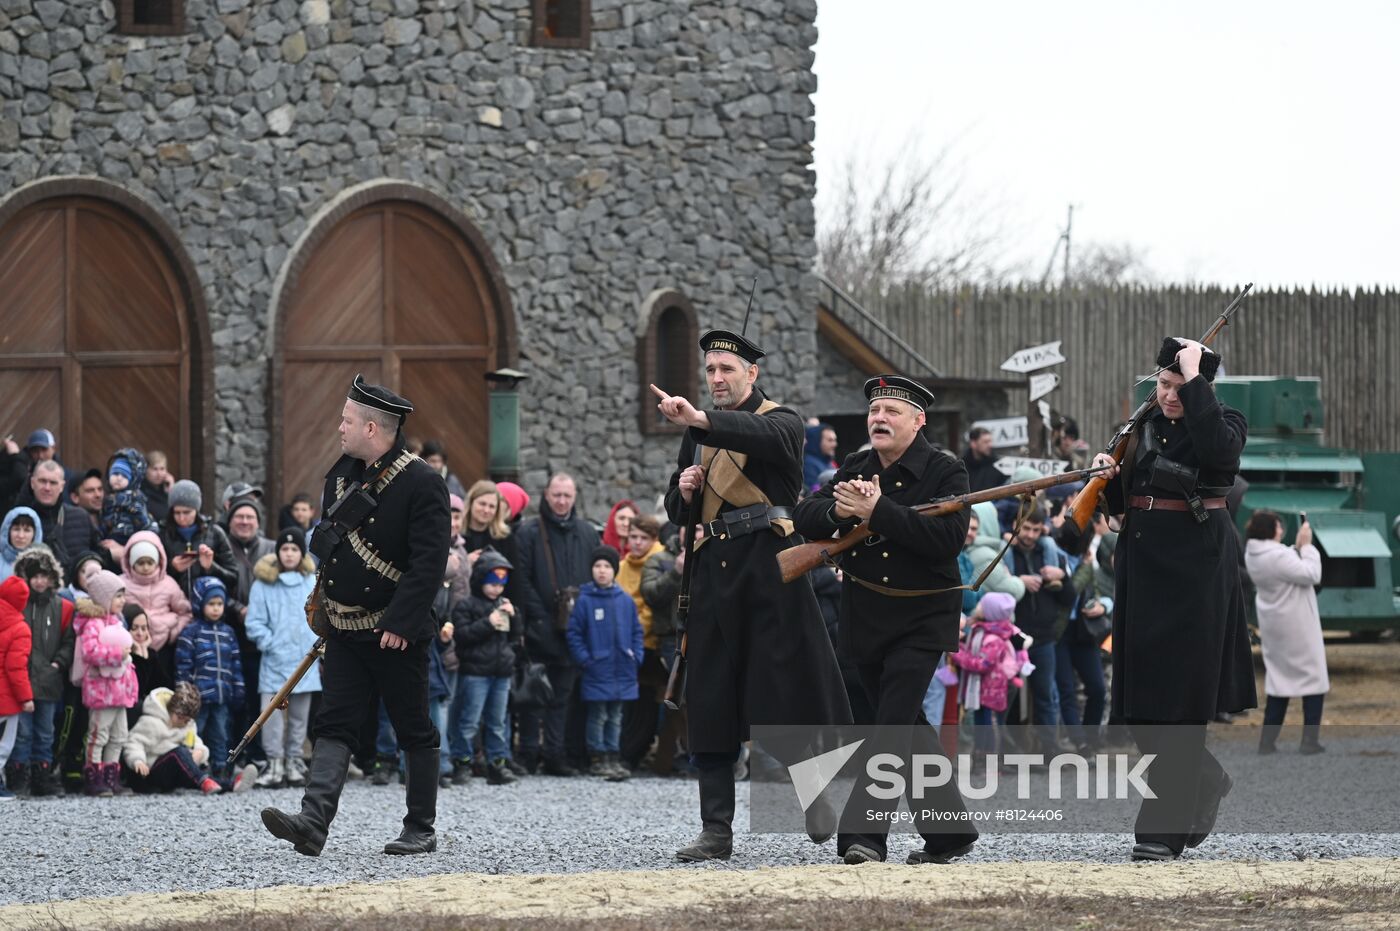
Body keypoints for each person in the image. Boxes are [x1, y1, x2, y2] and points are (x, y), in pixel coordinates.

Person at [656, 325, 851, 862]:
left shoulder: (782, 422)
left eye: (727, 370)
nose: (717, 378)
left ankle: (813, 795)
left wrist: (699, 420)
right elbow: (677, 509)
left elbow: (763, 441)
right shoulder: (696, 432)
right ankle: (716, 829)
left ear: (752, 374)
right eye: (711, 371)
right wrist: (685, 490)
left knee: (782, 695)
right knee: (711, 699)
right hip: (713, 575)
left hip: (770, 570)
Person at [261, 375, 450, 857]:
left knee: (412, 727)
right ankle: (313, 822)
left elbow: (428, 562)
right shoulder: (342, 475)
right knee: (336, 723)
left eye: (347, 420)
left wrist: (402, 624)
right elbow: (333, 551)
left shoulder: (422, 483)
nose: (339, 428)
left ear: (372, 428)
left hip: (395, 632)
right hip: (344, 628)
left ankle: (420, 828)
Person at [793, 374, 978, 865]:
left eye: (892, 411)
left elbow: (946, 542)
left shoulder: (947, 470)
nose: (879, 418)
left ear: (918, 422)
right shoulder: (856, 465)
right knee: (909, 729)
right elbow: (805, 513)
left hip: (923, 616)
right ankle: (949, 832)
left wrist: (878, 511)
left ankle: (863, 836)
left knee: (891, 726)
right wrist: (840, 511)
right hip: (867, 614)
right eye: (875, 410)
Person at [1091, 337, 1255, 862]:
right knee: (1138, 702)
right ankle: (1205, 780)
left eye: (1179, 387)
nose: (1168, 396)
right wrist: (1107, 480)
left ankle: (1160, 829)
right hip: (1142, 565)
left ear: (1203, 388)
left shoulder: (1225, 422)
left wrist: (1196, 382)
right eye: (1162, 385)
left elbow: (1218, 456)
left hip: (1198, 568)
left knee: (1182, 701)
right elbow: (1126, 505)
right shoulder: (1140, 429)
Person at [513, 473, 599, 776]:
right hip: (538, 627)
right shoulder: (528, 532)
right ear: (546, 496)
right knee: (532, 695)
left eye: (567, 496)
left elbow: (594, 579)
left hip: (573, 631)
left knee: (562, 696)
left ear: (574, 498)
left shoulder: (588, 533)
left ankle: (554, 754)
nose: (561, 501)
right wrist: (538, 617)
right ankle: (526, 754)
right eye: (556, 495)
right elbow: (520, 581)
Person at [1243, 510, 1327, 755]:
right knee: (1314, 680)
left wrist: (1297, 547)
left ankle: (1266, 742)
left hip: (1275, 627)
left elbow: (1286, 563)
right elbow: (1312, 574)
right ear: (1271, 530)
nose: (1281, 530)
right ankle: (1309, 741)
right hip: (1297, 627)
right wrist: (1308, 547)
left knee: (1278, 683)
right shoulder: (1277, 555)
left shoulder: (1254, 554)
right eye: (1278, 526)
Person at [244, 529, 321, 789]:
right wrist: (270, 642)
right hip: (274, 660)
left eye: (294, 550)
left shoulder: (311, 582)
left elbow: (321, 615)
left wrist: (316, 645)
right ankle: (274, 761)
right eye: (285, 549)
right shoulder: (263, 584)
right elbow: (254, 621)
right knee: (270, 716)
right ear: (278, 553)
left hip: (304, 660)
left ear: (302, 553)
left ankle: (294, 761)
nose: (289, 554)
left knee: (300, 716)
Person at [566, 546, 642, 781]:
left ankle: (613, 754)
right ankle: (597, 756)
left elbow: (637, 631)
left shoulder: (625, 601)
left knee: (616, 716)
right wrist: (586, 660)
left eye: (607, 566)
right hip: (597, 668)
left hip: (623, 669)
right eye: (597, 566)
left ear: (614, 571)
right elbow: (574, 633)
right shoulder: (585, 599)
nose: (602, 571)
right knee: (598, 715)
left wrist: (636, 655)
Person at [1002, 508, 1075, 752]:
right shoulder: (1004, 553)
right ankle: (1009, 751)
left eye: (1036, 529)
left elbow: (1069, 598)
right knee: (1008, 696)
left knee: (1045, 695)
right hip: (1012, 637)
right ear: (1015, 525)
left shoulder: (1050, 553)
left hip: (1043, 637)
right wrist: (1017, 582)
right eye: (1026, 529)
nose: (1031, 535)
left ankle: (1049, 750)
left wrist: (1061, 577)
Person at [8, 545, 75, 798]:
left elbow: (69, 640)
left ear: (52, 579)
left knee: (45, 732)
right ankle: (18, 775)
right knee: (22, 733)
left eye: (44, 576)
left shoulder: (63, 607)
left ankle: (42, 776)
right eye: (34, 576)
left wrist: (58, 663)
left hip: (49, 679)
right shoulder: (17, 605)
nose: (39, 581)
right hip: (21, 680)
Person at [449, 548, 520, 786]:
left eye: (501, 584)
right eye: (492, 582)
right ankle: (463, 762)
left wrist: (515, 616)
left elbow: (514, 638)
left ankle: (497, 764)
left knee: (498, 722)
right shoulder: (466, 605)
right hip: (475, 673)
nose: (496, 588)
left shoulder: (504, 603)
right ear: (480, 579)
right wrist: (488, 623)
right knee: (468, 721)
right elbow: (463, 636)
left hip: (501, 673)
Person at [75, 569, 138, 797]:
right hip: (102, 692)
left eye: (123, 595)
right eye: (118, 596)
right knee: (98, 734)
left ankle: (112, 777)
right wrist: (117, 654)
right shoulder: (92, 624)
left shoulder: (117, 622)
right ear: (103, 597)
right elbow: (90, 652)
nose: (122, 600)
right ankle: (94, 776)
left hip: (119, 692)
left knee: (119, 735)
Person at [617, 514, 672, 771]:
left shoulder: (660, 561)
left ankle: (640, 753)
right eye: (633, 537)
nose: (637, 543)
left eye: (643, 538)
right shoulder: (623, 566)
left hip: (652, 644)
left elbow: (654, 604)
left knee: (648, 704)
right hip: (623, 644)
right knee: (629, 704)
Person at [949, 592, 1029, 766]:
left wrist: (957, 652)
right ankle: (980, 758)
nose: (977, 607)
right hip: (985, 689)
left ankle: (991, 760)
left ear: (989, 612)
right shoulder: (983, 631)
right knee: (982, 723)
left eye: (981, 605)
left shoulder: (993, 639)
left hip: (993, 690)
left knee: (990, 725)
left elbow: (982, 664)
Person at [121, 683, 222, 795]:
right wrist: (137, 760)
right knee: (178, 753)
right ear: (171, 710)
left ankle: (231, 784)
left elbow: (196, 741)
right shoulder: (152, 722)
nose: (183, 722)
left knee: (200, 768)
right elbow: (134, 742)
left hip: (176, 771)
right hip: (152, 771)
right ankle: (203, 781)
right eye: (180, 717)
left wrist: (199, 751)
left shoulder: (188, 726)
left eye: (187, 720)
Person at [120, 531, 193, 682]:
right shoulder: (121, 584)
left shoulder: (168, 584)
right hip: (131, 647)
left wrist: (173, 633)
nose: (146, 567)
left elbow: (185, 612)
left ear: (158, 562)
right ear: (131, 563)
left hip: (163, 646)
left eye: (150, 562)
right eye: (140, 563)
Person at [158, 481, 238, 605]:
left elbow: (233, 578)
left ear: (197, 510)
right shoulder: (162, 534)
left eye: (187, 512)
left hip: (210, 608)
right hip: (173, 606)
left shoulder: (215, 533)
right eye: (177, 513)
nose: (182, 518)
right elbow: (148, 575)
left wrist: (210, 567)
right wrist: (172, 568)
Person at [18, 461, 103, 570]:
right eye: (42, 481)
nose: (47, 488)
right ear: (32, 483)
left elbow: (98, 556)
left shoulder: (81, 517)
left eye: (53, 483)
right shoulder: (20, 519)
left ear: (62, 486)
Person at [0, 575, 33, 801]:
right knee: (3, 744)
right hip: (6, 699)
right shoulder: (20, 628)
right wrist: (26, 698)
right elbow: (15, 668)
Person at [124, 603, 171, 727]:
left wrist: (144, 653)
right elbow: (137, 691)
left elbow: (163, 685)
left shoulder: (151, 654)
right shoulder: (123, 655)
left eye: (144, 628)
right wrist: (139, 656)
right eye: (134, 628)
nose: (140, 633)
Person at [100, 448, 154, 547]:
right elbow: (105, 519)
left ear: (132, 479)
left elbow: (144, 520)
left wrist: (135, 511)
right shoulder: (108, 498)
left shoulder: (135, 497)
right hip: (112, 535)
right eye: (115, 474)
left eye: (124, 476)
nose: (118, 478)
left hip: (131, 536)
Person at [1, 506, 40, 581]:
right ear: (7, 532)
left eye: (27, 530)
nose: (21, 535)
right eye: (16, 529)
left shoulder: (44, 564)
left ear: (35, 534)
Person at [961, 427, 1004, 493]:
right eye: (985, 442)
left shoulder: (998, 465)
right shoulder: (962, 466)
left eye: (990, 441)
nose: (990, 445)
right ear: (973, 444)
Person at [803, 422, 839, 491]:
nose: (835, 444)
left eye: (835, 440)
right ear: (817, 441)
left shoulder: (829, 462)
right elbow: (814, 492)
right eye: (830, 440)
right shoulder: (809, 464)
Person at [141, 451, 174, 524]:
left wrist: (171, 492)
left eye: (162, 469)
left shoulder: (166, 489)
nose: (159, 474)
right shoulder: (141, 492)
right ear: (146, 470)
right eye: (155, 469)